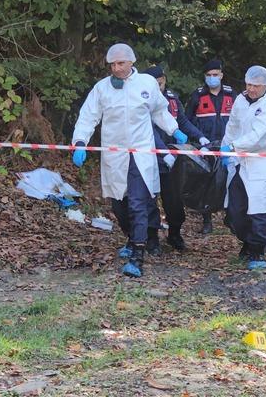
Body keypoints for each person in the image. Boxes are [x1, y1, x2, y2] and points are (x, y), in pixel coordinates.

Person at [71, 44, 188, 278]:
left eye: (120, 63)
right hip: (115, 155)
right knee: (119, 205)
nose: (116, 68)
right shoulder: (102, 89)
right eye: (112, 64)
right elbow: (88, 116)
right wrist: (80, 142)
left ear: (131, 62)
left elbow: (159, 111)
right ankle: (132, 237)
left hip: (141, 153)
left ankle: (137, 254)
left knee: (138, 203)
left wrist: (174, 130)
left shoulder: (147, 84)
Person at [221, 65, 266, 270]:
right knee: (235, 209)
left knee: (259, 208)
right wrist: (225, 149)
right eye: (248, 84)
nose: (251, 89)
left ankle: (257, 251)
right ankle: (247, 241)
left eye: (256, 86)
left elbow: (259, 137)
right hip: (241, 161)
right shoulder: (241, 100)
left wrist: (233, 147)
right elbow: (233, 126)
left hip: (263, 163)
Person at [143, 65, 209, 254]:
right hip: (151, 158)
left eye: (161, 82)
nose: (159, 86)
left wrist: (199, 136)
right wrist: (163, 152)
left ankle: (174, 234)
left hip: (173, 159)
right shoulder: (142, 100)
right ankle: (152, 238)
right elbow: (149, 130)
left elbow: (182, 121)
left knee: (174, 201)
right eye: (155, 83)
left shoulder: (172, 99)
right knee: (149, 201)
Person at [186, 59, 235, 234]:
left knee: (231, 180)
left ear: (221, 75)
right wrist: (199, 140)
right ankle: (207, 220)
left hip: (227, 145)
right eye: (209, 75)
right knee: (205, 183)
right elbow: (187, 120)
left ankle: (230, 215)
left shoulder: (231, 95)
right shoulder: (197, 95)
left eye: (215, 75)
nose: (212, 78)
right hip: (205, 145)